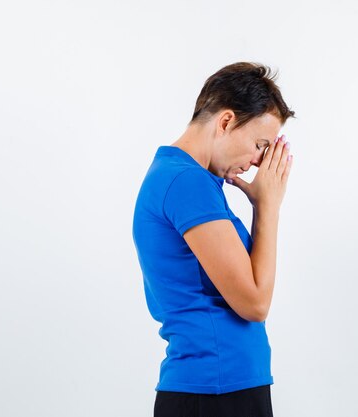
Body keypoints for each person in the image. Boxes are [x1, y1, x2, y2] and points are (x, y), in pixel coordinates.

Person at [132, 61, 295, 417]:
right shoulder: (186, 182)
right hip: (215, 393)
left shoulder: (192, 181)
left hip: (220, 389)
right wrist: (267, 207)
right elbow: (254, 303)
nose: (256, 162)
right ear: (225, 121)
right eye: (258, 144)